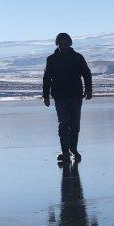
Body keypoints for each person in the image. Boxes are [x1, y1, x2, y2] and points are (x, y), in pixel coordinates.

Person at [42, 32, 92, 163]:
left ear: (70, 44)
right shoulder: (52, 59)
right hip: (60, 96)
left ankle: (73, 149)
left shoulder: (77, 57)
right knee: (63, 123)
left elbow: (86, 74)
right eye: (60, 44)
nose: (63, 46)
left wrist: (89, 89)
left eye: (65, 44)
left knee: (75, 123)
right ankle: (65, 151)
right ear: (57, 44)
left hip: (75, 95)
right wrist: (45, 95)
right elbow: (47, 78)